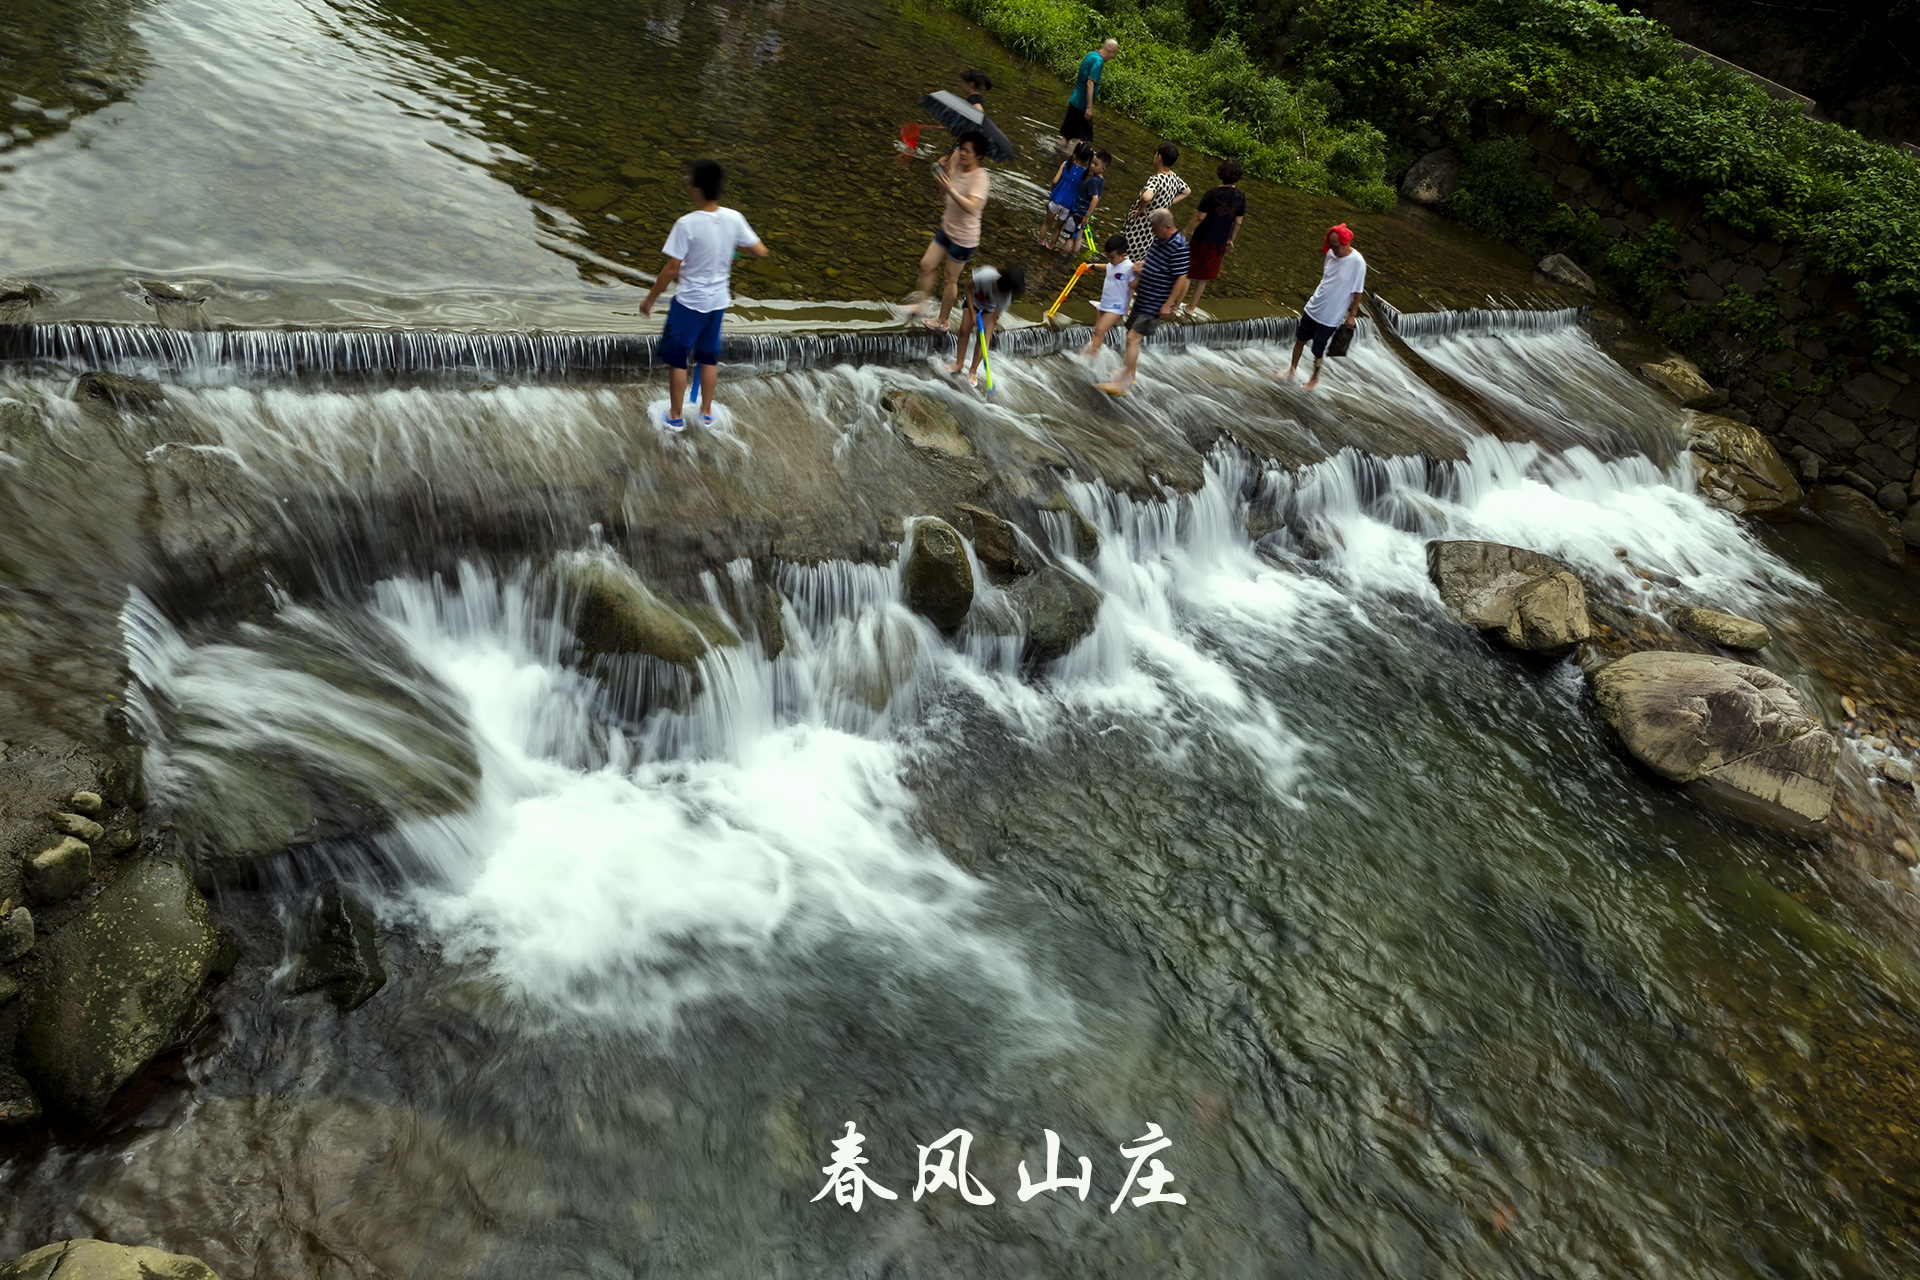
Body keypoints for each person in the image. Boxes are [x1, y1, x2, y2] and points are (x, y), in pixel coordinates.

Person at [638, 159, 769, 431]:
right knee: (708, 358)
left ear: (696, 189)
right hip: (717, 303)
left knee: (678, 359)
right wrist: (733, 247)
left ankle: (675, 415)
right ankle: (706, 413)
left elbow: (671, 268)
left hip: (688, 303)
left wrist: (650, 299)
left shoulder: (686, 224)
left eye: (690, 179)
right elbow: (760, 251)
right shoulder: (734, 218)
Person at [906, 131, 992, 331]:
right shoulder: (958, 164)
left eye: (967, 151)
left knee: (949, 279)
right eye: (961, 148)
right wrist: (942, 173)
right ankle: (921, 304)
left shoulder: (981, 178)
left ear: (978, 155)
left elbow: (972, 207)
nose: (962, 153)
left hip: (964, 238)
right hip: (947, 228)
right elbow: (944, 194)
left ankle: (943, 320)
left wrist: (951, 189)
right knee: (926, 264)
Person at [1096, 209, 1187, 397]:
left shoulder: (1179, 246)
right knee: (1130, 336)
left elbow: (1181, 277)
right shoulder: (1159, 239)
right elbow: (1153, 262)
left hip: (1157, 301)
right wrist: (1140, 265)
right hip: (1144, 296)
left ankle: (1124, 382)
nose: (1153, 233)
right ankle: (1129, 372)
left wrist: (1169, 304)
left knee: (1132, 337)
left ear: (1168, 227)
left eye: (1156, 229)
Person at [1283, 223, 1367, 391]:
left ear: (1345, 243)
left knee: (1318, 349)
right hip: (1314, 306)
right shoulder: (1330, 254)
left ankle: (1314, 377)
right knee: (1300, 339)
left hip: (1331, 315)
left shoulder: (1357, 262)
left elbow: (1358, 291)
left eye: (1336, 247)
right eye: (1331, 246)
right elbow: (1327, 279)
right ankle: (1292, 370)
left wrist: (1352, 315)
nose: (1333, 250)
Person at [1178, 158, 1246, 317]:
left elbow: (1200, 217)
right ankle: (1191, 308)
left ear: (1221, 173)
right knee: (1203, 277)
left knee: (1188, 272)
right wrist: (1231, 240)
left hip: (1202, 238)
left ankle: (1176, 305)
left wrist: (1186, 231)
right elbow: (1238, 222)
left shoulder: (1212, 193)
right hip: (1219, 243)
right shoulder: (1241, 197)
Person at [949, 264, 1025, 388]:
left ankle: (973, 371)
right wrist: (973, 313)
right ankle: (959, 363)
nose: (1011, 294)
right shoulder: (985, 276)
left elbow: (995, 316)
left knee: (983, 339)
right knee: (964, 329)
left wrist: (984, 326)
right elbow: (968, 290)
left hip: (990, 310)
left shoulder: (1006, 298)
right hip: (972, 301)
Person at [1123, 143, 1191, 265]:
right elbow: (1187, 191)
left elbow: (1146, 196)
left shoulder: (1156, 179)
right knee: (1138, 265)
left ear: (1159, 157)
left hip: (1138, 229)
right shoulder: (1174, 178)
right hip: (1151, 234)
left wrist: (1141, 208)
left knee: (1123, 261)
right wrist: (1168, 202)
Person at [1081, 234, 1135, 359]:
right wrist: (1093, 266)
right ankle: (1094, 352)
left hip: (1117, 306)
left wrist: (1127, 305)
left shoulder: (1129, 267)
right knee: (1097, 331)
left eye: (1112, 257)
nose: (1110, 259)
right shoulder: (1112, 263)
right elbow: (1107, 267)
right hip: (1105, 303)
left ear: (1123, 255)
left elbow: (1132, 287)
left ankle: (1089, 359)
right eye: (1108, 256)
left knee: (1100, 330)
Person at [1060, 39, 1118, 147]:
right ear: (1110, 50)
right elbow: (1090, 83)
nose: (1113, 57)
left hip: (1074, 100)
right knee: (1084, 138)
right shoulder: (1098, 62)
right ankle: (1072, 160)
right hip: (1082, 105)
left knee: (1067, 135)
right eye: (1114, 53)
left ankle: (1057, 154)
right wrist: (1089, 107)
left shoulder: (1091, 55)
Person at [1039, 142, 1094, 248]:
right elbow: (1080, 190)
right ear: (1088, 159)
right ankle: (1051, 245)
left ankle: (1040, 241)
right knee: (1058, 228)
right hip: (1068, 205)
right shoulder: (1084, 173)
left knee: (1046, 223)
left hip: (1056, 199)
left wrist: (1053, 191)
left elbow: (1055, 181)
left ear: (1075, 152)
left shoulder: (1065, 164)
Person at [1053, 150, 1108, 254]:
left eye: (1095, 164)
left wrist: (1087, 215)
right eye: (1092, 162)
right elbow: (1099, 197)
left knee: (1069, 238)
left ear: (1103, 169)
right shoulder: (1101, 180)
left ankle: (1063, 255)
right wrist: (1089, 213)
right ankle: (1073, 256)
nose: (1091, 165)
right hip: (1084, 214)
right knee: (1078, 238)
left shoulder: (1093, 181)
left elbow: (1095, 198)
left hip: (1078, 212)